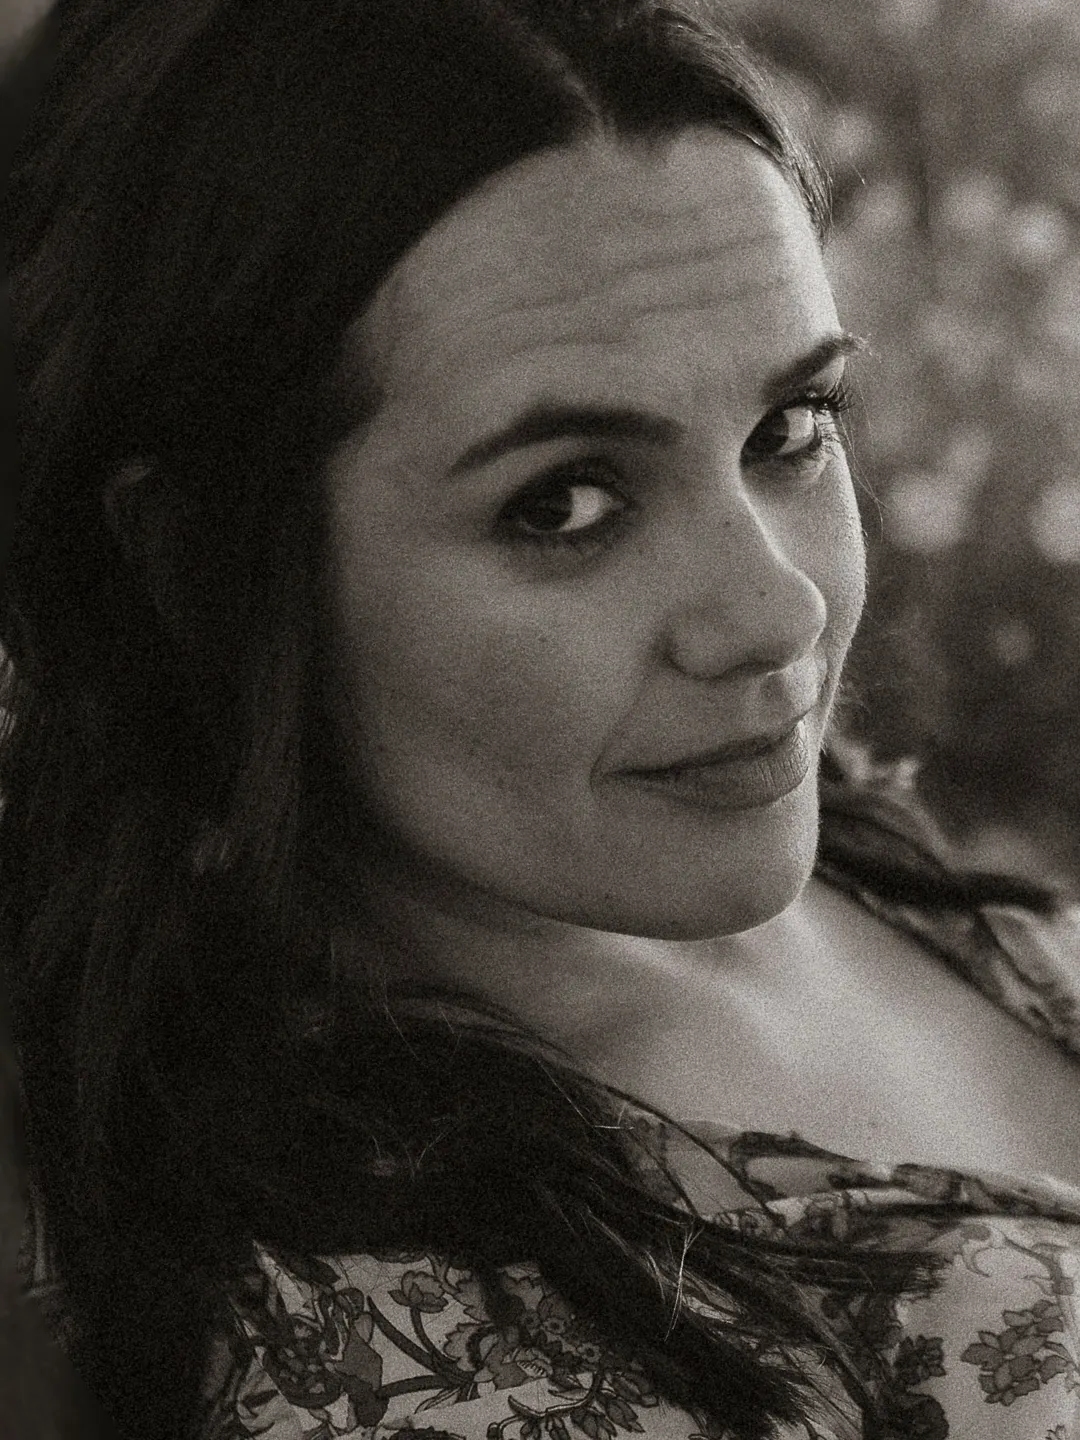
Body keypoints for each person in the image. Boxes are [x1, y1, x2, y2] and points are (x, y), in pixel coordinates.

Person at [3, 2, 1080, 1437]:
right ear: (190, 570)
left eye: (791, 429)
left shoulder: (858, 852)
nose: (777, 609)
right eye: (564, 504)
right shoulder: (392, 1345)